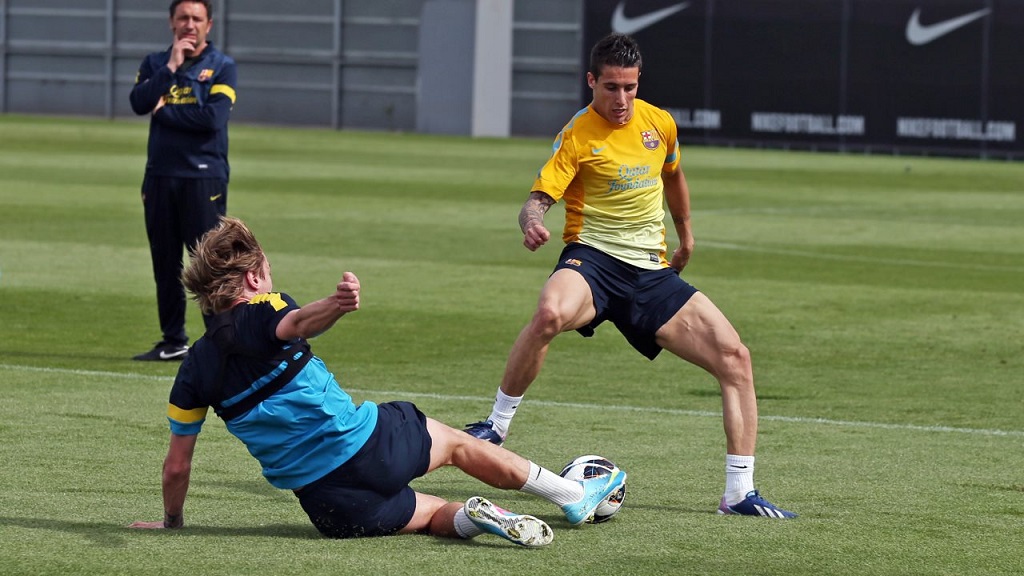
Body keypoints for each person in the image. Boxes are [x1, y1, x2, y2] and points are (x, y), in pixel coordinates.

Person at [129, 216, 626, 546]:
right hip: (369, 448)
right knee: (452, 442)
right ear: (255, 278)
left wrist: (172, 523)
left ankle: (478, 517)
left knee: (432, 516)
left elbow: (176, 467)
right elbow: (295, 324)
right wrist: (336, 305)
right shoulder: (265, 310)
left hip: (329, 508)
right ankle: (570, 495)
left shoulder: (191, 370)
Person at [463, 33, 796, 519]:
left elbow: (674, 176)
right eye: (611, 88)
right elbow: (538, 198)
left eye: (630, 88)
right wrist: (533, 221)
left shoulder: (658, 123)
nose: (621, 100)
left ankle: (738, 494)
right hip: (592, 262)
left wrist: (686, 234)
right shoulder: (576, 134)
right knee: (550, 313)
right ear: (592, 81)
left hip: (650, 273)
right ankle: (496, 424)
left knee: (735, 357)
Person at [129, 0, 238, 361]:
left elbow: (211, 119)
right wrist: (172, 68)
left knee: (208, 263)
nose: (189, 25)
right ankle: (173, 341)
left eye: (196, 18)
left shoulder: (222, 67)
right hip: (159, 177)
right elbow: (139, 102)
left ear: (209, 24)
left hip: (203, 177)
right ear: (171, 22)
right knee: (165, 263)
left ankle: (220, 343)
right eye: (183, 18)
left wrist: (166, 112)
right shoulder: (154, 64)